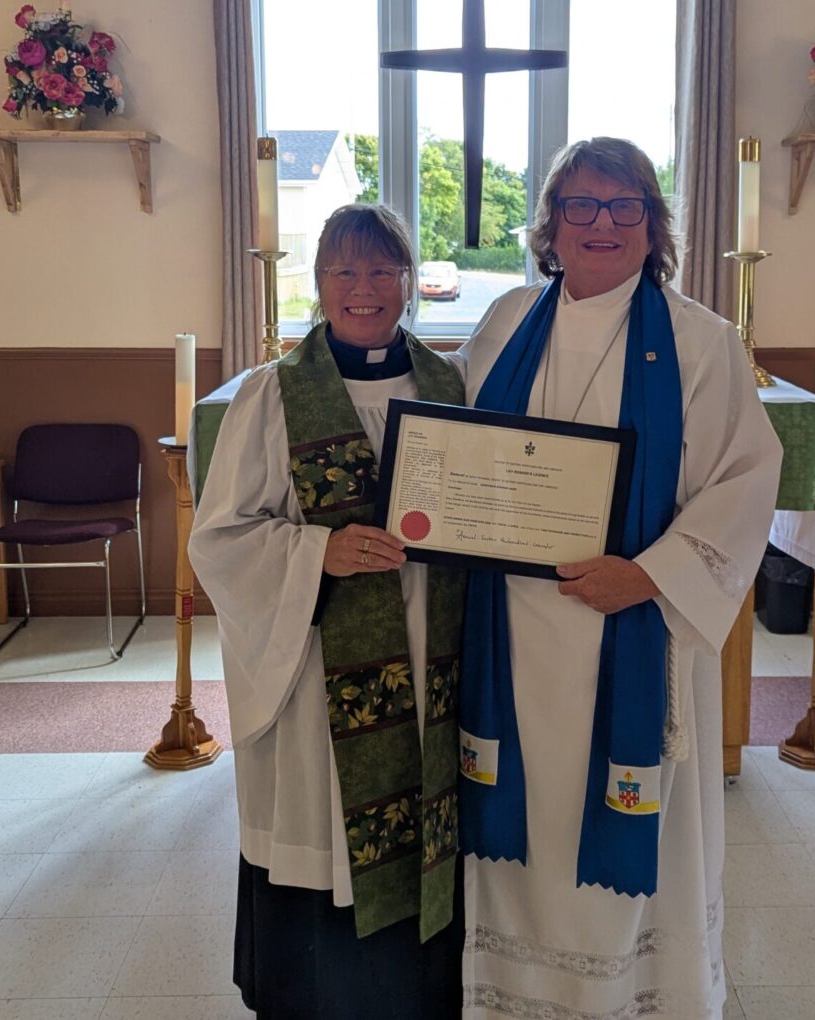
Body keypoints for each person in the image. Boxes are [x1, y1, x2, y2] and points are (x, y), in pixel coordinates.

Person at [452, 137, 783, 1019]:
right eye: (581, 206)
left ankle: (636, 994)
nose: (602, 223)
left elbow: (748, 479)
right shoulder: (504, 324)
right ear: (550, 225)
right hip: (516, 633)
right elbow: (464, 460)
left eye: (624, 205)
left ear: (652, 225)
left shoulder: (701, 342)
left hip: (637, 628)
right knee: (527, 819)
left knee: (628, 817)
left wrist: (649, 575)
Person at [189, 204, 466, 1019]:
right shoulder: (273, 397)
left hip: (427, 655)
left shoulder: (449, 385)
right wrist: (320, 554)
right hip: (318, 671)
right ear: (318, 284)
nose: (365, 289)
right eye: (344, 271)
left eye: (384, 270)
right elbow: (222, 538)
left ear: (411, 282)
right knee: (326, 836)